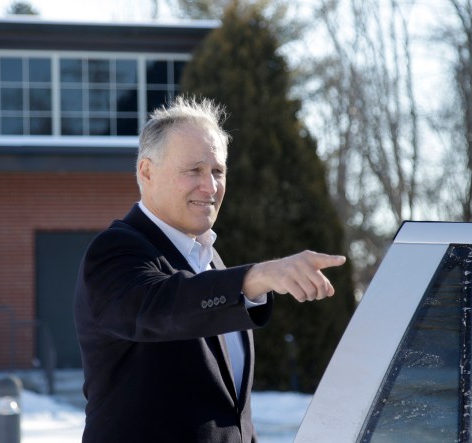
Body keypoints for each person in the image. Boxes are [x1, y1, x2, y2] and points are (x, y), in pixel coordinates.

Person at [73, 95, 346, 442]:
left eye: (218, 171)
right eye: (194, 170)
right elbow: (160, 306)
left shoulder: (208, 258)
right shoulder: (115, 250)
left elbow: (229, 409)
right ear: (147, 171)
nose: (211, 186)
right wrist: (255, 278)